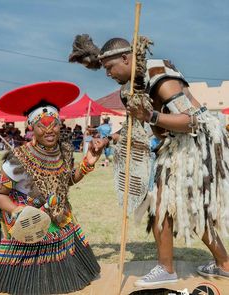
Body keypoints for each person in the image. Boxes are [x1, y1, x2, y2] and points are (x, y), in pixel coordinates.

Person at [69, 35, 229, 286]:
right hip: (176, 144)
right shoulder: (129, 90)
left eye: (110, 67)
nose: (108, 74)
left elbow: (191, 122)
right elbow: (136, 126)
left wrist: (151, 115)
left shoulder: (158, 76)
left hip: (197, 143)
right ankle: (224, 264)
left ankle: (167, 268)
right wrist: (108, 140)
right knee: (184, 207)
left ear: (126, 58)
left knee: (162, 202)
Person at [0, 81, 109, 294]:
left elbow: (66, 182)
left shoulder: (63, 152)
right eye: (42, 125)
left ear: (60, 124)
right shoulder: (18, 160)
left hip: (57, 214)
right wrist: (17, 211)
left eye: (53, 124)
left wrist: (88, 162)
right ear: (31, 128)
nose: (49, 130)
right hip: (28, 222)